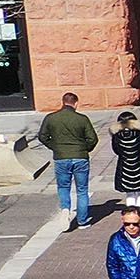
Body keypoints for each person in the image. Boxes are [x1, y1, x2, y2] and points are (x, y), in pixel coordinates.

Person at [38, 90, 97, 229]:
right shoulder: (82, 119)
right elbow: (92, 139)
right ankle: (82, 221)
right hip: (80, 157)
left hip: (61, 157)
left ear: (63, 102)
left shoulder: (51, 118)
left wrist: (55, 147)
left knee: (63, 187)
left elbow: (42, 136)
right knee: (82, 190)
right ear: (76, 103)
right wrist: (85, 149)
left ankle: (65, 209)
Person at [107, 110, 140, 212]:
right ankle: (139, 212)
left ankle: (131, 213)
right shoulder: (139, 133)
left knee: (129, 193)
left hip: (124, 166)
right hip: (139, 164)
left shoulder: (116, 135)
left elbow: (116, 150)